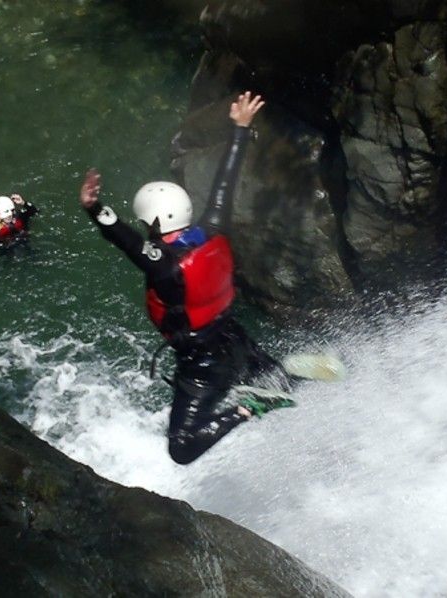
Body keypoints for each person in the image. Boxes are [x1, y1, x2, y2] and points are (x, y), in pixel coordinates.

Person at [79, 91, 291, 465]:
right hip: (235, 338)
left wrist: (94, 208)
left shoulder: (163, 265)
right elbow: (225, 185)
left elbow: (122, 237)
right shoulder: (213, 229)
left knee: (181, 447)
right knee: (277, 382)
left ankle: (247, 409)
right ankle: (281, 379)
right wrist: (240, 128)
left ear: (152, 222)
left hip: (204, 363)